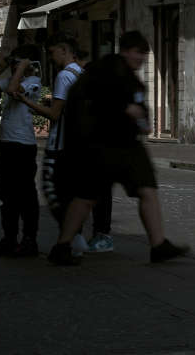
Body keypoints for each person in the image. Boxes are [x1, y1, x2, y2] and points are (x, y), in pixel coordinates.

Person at [48, 31, 187, 267]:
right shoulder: (107, 70)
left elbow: (135, 104)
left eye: (144, 53)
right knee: (87, 197)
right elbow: (99, 103)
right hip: (101, 145)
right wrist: (126, 110)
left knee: (146, 189)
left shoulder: (127, 75)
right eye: (138, 53)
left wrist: (139, 116)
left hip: (124, 145)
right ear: (126, 50)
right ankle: (62, 245)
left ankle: (158, 244)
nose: (141, 58)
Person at [37, 36, 114, 255]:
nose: (51, 58)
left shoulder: (64, 76)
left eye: (52, 53)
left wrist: (28, 103)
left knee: (62, 193)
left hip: (66, 144)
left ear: (64, 50)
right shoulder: (81, 74)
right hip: (87, 143)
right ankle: (96, 234)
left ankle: (72, 237)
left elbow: (55, 114)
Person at [0, 49, 43, 256]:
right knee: (7, 194)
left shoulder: (33, 81)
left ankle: (30, 240)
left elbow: (13, 89)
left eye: (17, 63)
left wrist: (21, 67)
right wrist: (0, 68)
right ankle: (9, 238)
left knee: (26, 194)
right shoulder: (13, 77)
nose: (14, 66)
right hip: (7, 143)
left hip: (23, 144)